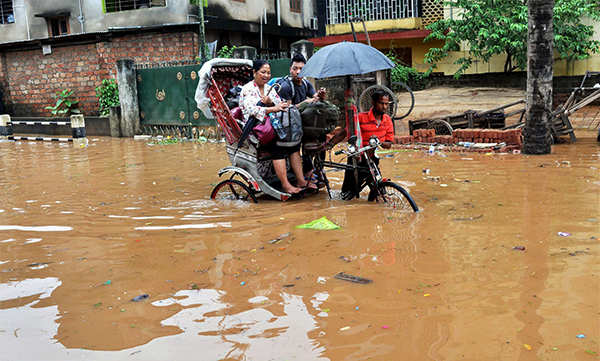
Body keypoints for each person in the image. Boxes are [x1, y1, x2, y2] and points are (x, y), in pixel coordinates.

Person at [239, 59, 313, 195]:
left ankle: (301, 180)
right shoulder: (247, 89)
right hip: (256, 129)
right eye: (263, 72)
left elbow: (279, 103)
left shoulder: (269, 88)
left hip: (272, 124)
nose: (266, 75)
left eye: (268, 73)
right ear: (254, 72)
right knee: (278, 145)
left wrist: (274, 103)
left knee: (294, 144)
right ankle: (286, 185)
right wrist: (273, 108)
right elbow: (252, 111)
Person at [339, 89, 394, 200]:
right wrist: (329, 144)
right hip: (357, 158)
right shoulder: (361, 117)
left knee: (377, 187)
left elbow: (389, 143)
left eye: (386, 104)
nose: (384, 107)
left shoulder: (387, 120)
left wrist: (381, 143)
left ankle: (374, 204)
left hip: (373, 158)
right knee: (349, 192)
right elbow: (346, 131)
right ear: (373, 103)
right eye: (381, 103)